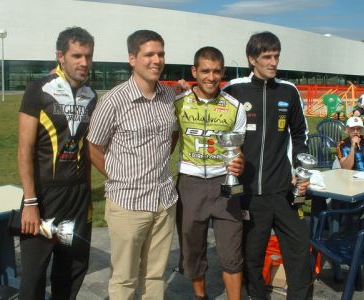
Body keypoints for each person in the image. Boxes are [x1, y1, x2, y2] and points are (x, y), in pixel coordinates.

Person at [87, 30, 177, 300]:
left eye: (160, 53)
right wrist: (120, 176)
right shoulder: (113, 101)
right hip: (128, 204)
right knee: (124, 279)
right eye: (149, 54)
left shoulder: (169, 96)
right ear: (132, 59)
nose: (156, 60)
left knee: (154, 275)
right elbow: (93, 147)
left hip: (163, 201)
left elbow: (173, 134)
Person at [223, 31, 311, 300]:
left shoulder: (288, 91)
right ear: (252, 59)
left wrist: (300, 171)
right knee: (251, 257)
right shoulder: (234, 90)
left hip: (284, 190)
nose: (273, 62)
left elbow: (300, 135)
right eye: (267, 57)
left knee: (298, 252)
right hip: (250, 194)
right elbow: (220, 130)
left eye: (276, 56)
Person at [17, 26, 96, 299]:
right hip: (44, 196)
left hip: (75, 197)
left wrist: (87, 199)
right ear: (60, 56)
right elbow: (24, 149)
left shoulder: (91, 96)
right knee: (35, 272)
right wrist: (30, 202)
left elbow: (87, 151)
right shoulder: (38, 90)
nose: (83, 62)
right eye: (76, 55)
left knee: (72, 267)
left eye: (88, 56)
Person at [172, 46, 246, 300]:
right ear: (195, 71)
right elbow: (167, 143)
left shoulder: (235, 107)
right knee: (192, 249)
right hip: (190, 184)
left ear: (223, 72)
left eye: (216, 71)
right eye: (205, 71)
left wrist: (239, 163)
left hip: (225, 186)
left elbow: (238, 151)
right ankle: (200, 297)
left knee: (232, 252)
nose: (211, 77)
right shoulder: (178, 103)